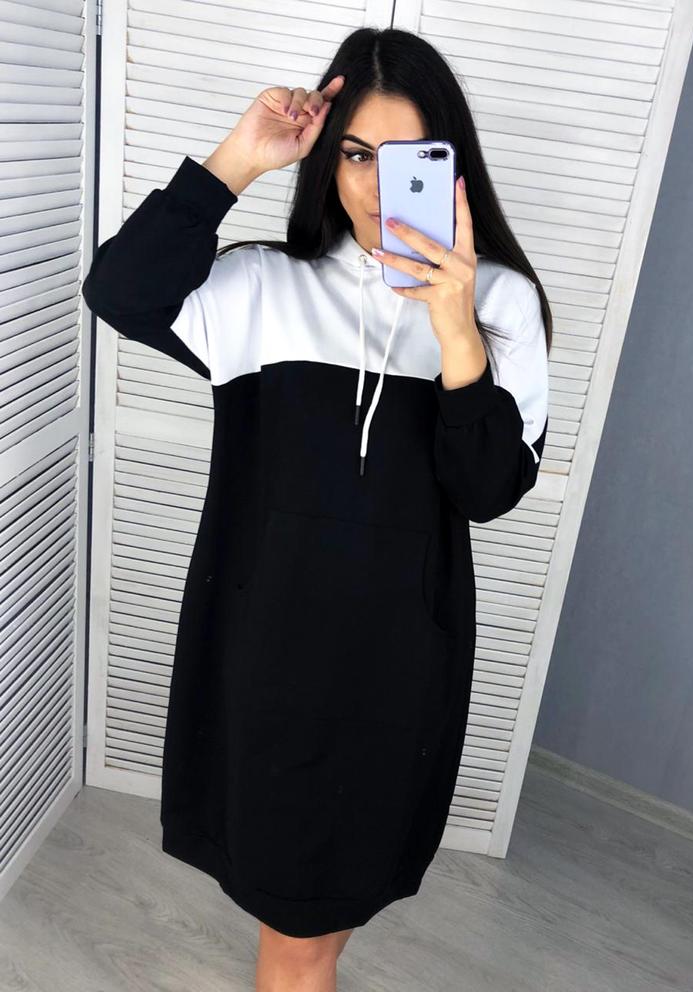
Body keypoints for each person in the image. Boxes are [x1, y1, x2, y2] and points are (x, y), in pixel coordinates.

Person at [82, 26, 550, 992]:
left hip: (400, 670)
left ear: (451, 166)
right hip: (264, 657)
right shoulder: (261, 284)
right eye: (356, 155)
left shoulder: (500, 304)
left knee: (325, 921)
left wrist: (454, 331)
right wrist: (236, 160)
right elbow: (120, 291)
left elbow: (490, 491)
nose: (378, 187)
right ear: (326, 160)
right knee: (297, 934)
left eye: (409, 160)